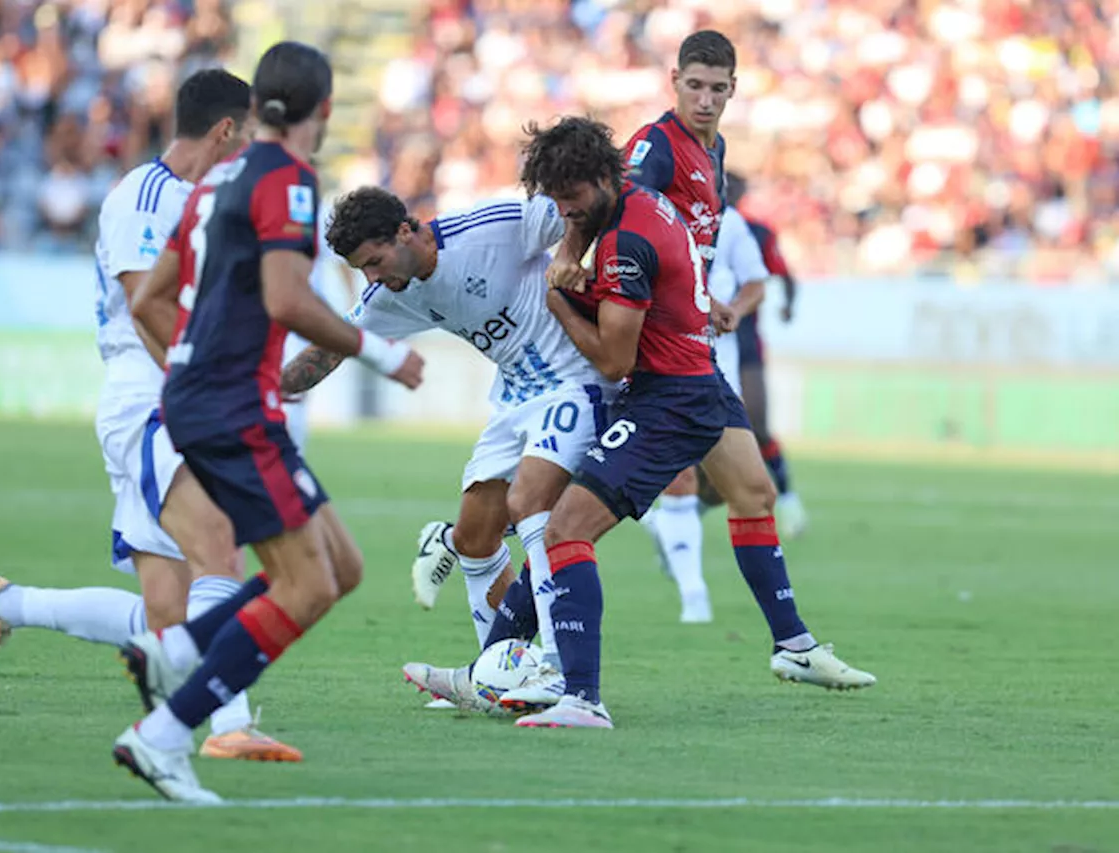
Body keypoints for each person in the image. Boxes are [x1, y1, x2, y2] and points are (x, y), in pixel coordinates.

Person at [109, 41, 424, 803]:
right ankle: (163, 734)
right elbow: (285, 297)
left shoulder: (217, 179)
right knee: (307, 584)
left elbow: (150, 299)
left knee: (340, 567)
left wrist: (187, 367)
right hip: (235, 404)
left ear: (258, 109)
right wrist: (381, 354)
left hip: (208, 398)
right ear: (323, 110)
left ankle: (176, 651)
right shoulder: (287, 178)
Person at [0, 69, 296, 762]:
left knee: (168, 614)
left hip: (180, 390)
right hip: (153, 393)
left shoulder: (212, 200)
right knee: (219, 544)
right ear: (226, 129)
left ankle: (6, 603)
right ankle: (228, 722)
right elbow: (148, 306)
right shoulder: (145, 197)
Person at [516, 116, 874, 729]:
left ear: (604, 179)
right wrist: (574, 251)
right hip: (702, 376)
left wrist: (559, 300)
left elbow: (612, 357)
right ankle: (794, 645)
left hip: (667, 398)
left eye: (570, 200)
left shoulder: (627, 243)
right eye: (554, 200)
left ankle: (581, 697)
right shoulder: (643, 199)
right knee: (755, 496)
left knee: (563, 530)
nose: (564, 213)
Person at [278, 186, 619, 710]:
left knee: (530, 505)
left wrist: (571, 256)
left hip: (576, 381)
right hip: (515, 396)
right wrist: (266, 387)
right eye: (361, 269)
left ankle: (558, 670)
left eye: (375, 261)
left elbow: (583, 210)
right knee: (474, 536)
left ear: (404, 232)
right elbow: (332, 349)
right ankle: (494, 676)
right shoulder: (390, 292)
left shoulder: (495, 227)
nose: (372, 277)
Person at [644, 183, 769, 624]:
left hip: (719, 373)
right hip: (666, 371)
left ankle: (670, 528)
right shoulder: (649, 222)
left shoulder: (728, 223)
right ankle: (693, 595)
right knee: (680, 479)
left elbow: (757, 281)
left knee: (736, 489)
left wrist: (734, 308)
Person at [734, 173, 808, 539]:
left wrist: (788, 307)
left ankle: (789, 498)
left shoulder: (756, 233)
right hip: (697, 345)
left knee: (758, 427)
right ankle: (677, 517)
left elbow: (784, 276)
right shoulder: (687, 228)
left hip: (745, 343)